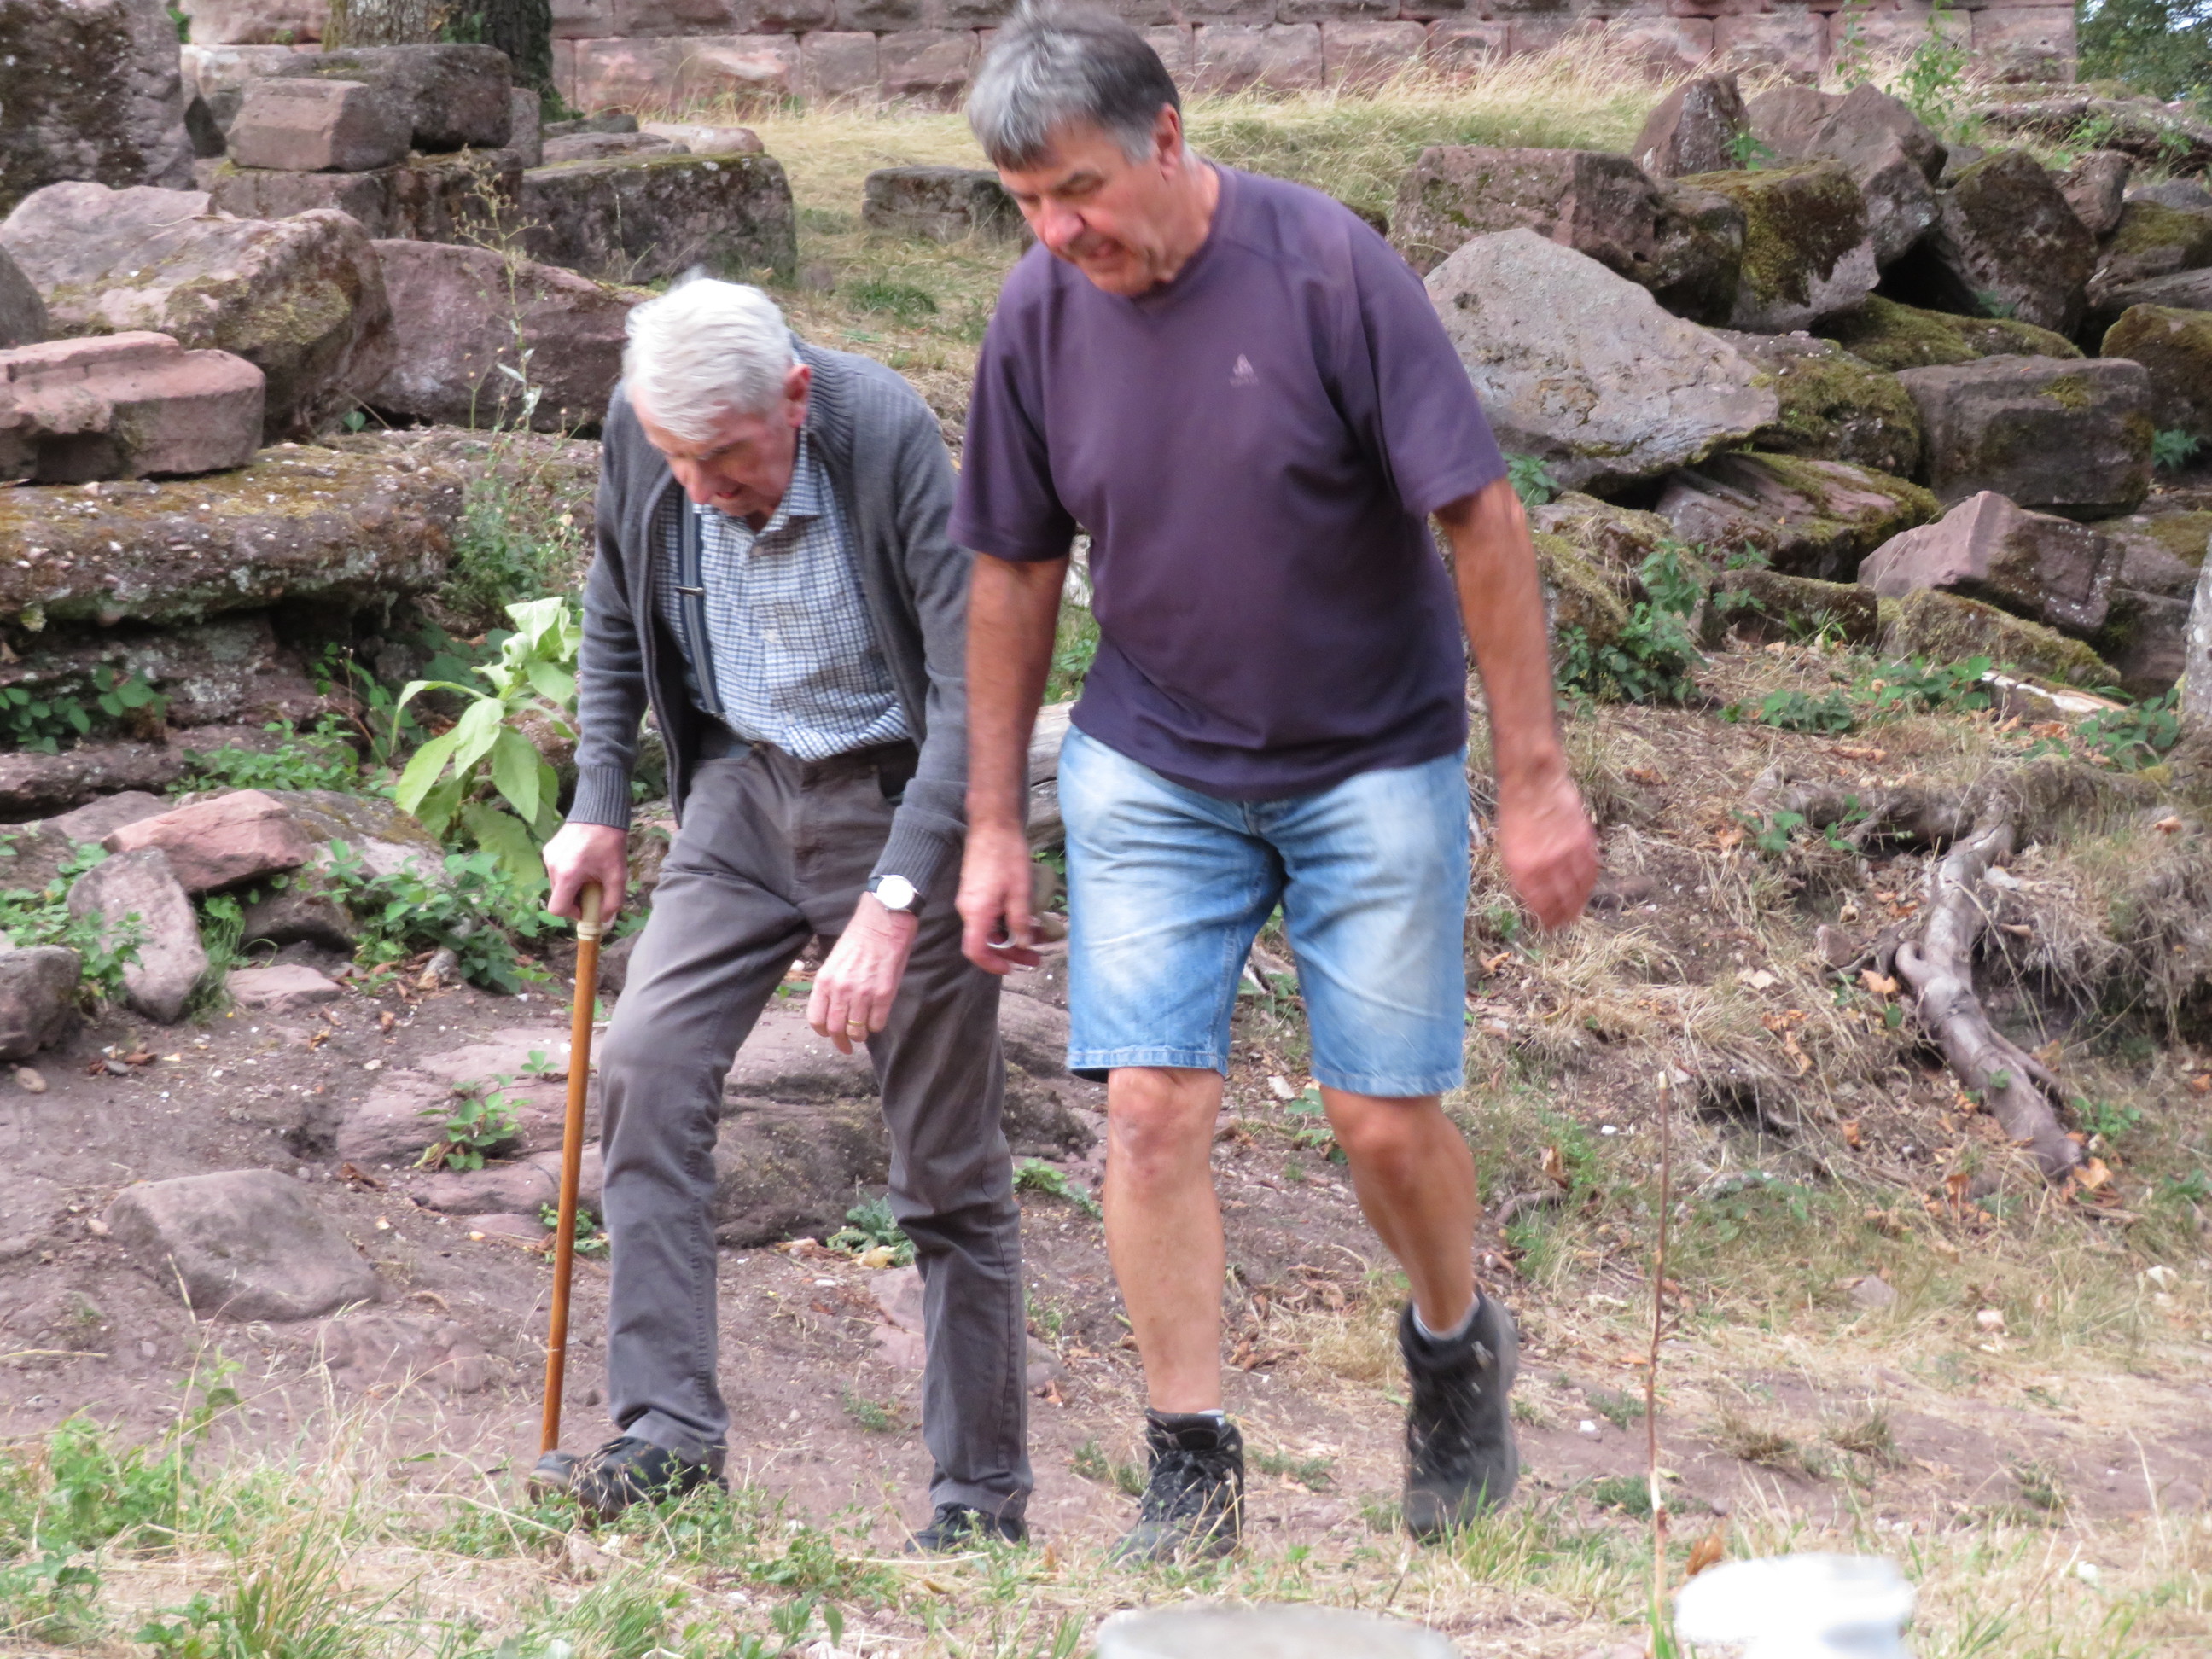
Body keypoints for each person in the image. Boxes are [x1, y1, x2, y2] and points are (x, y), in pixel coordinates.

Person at [949, 9, 1598, 1563]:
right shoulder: (1038, 314)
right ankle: (1191, 1463)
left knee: (1380, 1122)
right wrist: (991, 822)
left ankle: (1452, 1345)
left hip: (1369, 756)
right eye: (1026, 204)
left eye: (1079, 191)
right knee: (1149, 1111)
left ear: (1168, 137)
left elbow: (1483, 522)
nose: (1057, 233)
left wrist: (1534, 781)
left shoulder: (1328, 271)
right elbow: (1012, 572)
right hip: (1154, 761)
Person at [537, 276, 1033, 1548]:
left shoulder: (886, 432)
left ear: (795, 398)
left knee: (944, 1166)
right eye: (678, 461)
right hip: (742, 795)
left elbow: (972, 690)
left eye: (728, 461)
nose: (700, 489)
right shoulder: (648, 422)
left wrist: (896, 899)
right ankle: (666, 1438)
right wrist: (600, 800)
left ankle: (979, 1502)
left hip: (899, 798)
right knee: (645, 1069)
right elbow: (613, 601)